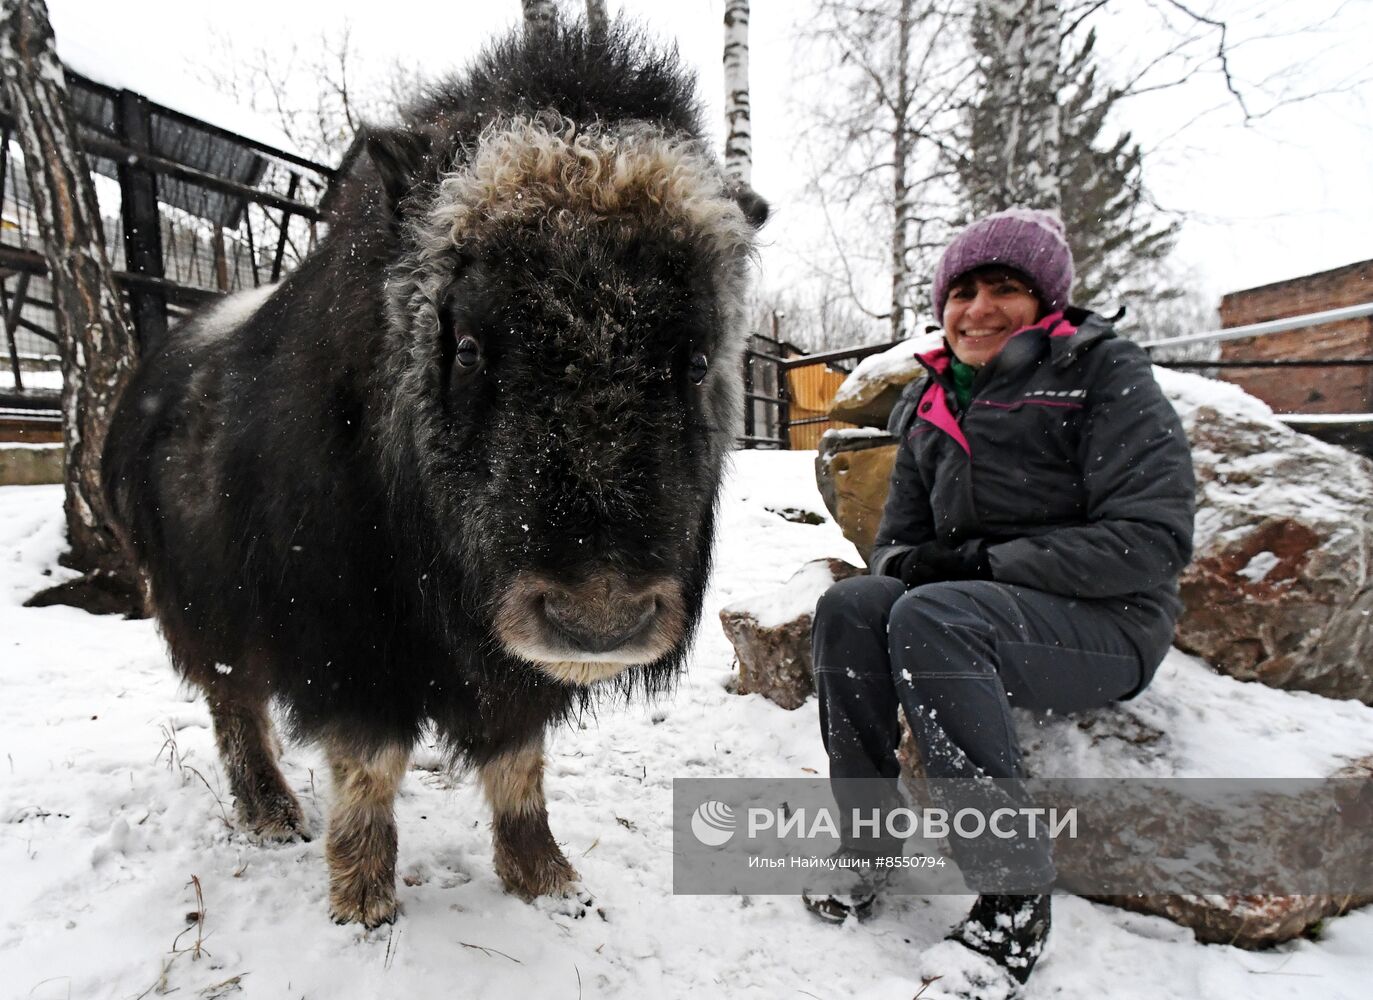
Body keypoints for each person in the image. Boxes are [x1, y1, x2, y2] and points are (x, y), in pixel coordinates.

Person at [804, 208, 1196, 986]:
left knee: (934, 616)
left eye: (1003, 288)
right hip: (979, 612)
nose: (977, 309)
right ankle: (868, 838)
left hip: (1105, 624)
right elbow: (892, 546)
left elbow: (1150, 540)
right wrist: (914, 562)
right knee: (851, 607)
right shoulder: (932, 399)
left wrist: (984, 564)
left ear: (1044, 299)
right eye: (962, 292)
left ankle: (1012, 902)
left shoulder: (1101, 373)